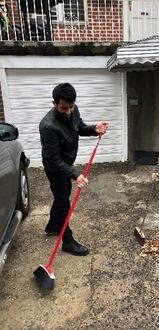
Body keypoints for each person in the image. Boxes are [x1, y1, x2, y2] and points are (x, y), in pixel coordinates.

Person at [39, 83, 108, 256]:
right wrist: (75, 175)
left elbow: (80, 128)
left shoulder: (73, 109)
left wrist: (94, 129)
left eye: (71, 107)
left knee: (61, 196)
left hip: (66, 164)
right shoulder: (48, 126)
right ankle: (68, 241)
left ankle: (53, 226)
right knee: (63, 201)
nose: (68, 112)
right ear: (54, 103)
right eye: (63, 108)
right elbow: (53, 160)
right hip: (55, 168)